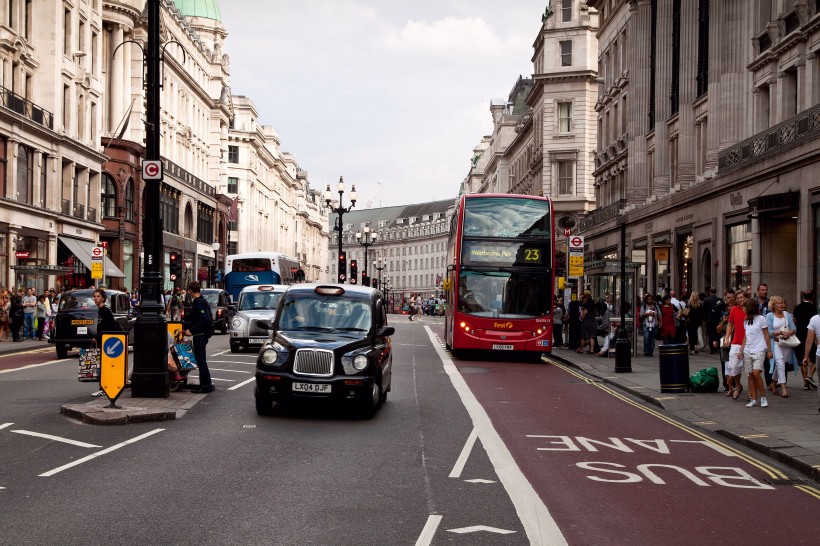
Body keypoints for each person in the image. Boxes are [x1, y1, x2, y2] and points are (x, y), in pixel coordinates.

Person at [739, 297, 772, 408]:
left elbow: (766, 335)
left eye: (745, 306)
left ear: (750, 308)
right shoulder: (746, 320)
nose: (743, 308)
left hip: (759, 349)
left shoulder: (761, 319)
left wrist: (769, 350)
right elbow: (745, 337)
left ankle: (763, 397)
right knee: (750, 375)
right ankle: (754, 399)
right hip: (748, 350)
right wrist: (741, 350)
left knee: (756, 373)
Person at [184, 281, 214, 393]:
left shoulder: (199, 303)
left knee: (201, 361)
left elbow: (204, 320)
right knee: (201, 361)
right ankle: (206, 384)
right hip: (201, 335)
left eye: (189, 291)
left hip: (200, 336)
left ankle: (205, 386)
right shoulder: (201, 301)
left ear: (191, 291)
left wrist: (192, 331)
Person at [766, 295, 796, 398]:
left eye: (782, 303)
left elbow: (793, 328)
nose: (781, 305)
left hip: (787, 344)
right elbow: (768, 332)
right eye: (779, 303)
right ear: (773, 305)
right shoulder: (770, 316)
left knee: (781, 365)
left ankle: (773, 383)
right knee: (780, 364)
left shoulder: (787, 314)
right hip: (776, 343)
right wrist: (780, 332)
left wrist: (789, 333)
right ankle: (783, 388)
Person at [723, 290, 748, 400]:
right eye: (738, 298)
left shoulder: (751, 309)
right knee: (734, 367)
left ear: (746, 298)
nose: (740, 300)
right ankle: (738, 386)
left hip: (750, 342)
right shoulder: (734, 309)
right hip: (736, 341)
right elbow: (729, 324)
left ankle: (751, 393)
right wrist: (727, 337)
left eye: (742, 297)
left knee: (749, 369)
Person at [793, 289, 816, 390]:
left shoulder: (797, 307)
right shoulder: (813, 308)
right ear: (813, 297)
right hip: (811, 334)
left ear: (803, 296)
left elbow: (795, 321)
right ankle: (810, 375)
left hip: (800, 335)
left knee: (803, 358)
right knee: (815, 359)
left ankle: (805, 382)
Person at [703, 287, 721, 354]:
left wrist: (704, 319)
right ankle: (717, 348)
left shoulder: (706, 300)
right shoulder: (719, 300)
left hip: (709, 320)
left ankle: (712, 349)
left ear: (710, 291)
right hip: (717, 319)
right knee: (717, 334)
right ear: (715, 291)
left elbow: (704, 310)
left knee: (710, 334)